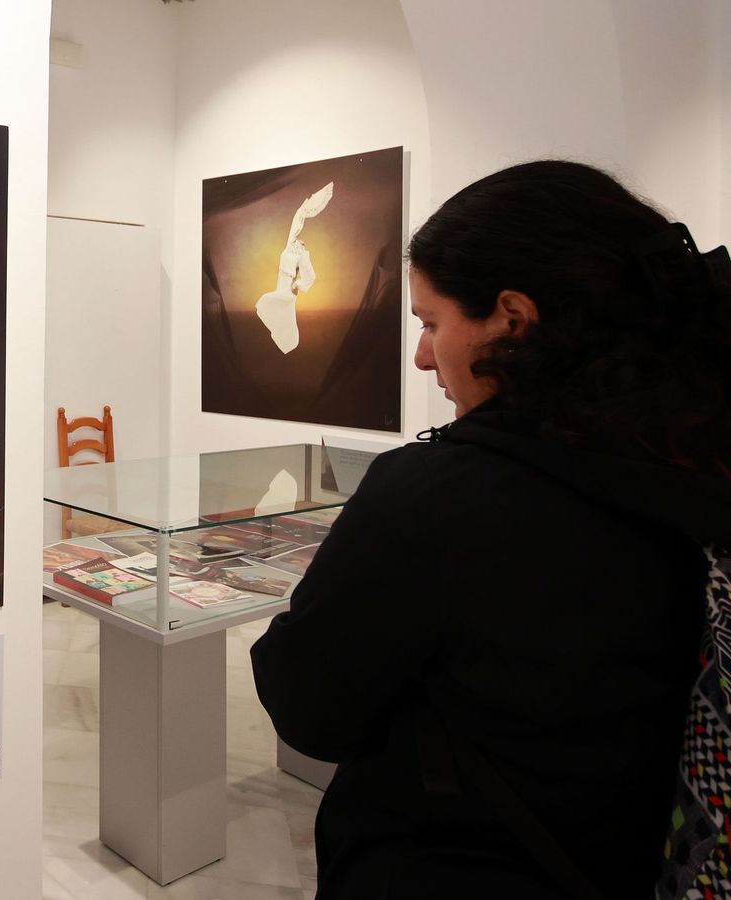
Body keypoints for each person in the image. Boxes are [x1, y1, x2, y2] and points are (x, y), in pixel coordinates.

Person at [250, 161, 731, 899]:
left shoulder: (434, 498)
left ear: (512, 318)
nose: (421, 355)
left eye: (432, 323)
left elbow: (311, 708)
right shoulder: (694, 463)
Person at [255, 181, 333, 354]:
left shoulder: (302, 255)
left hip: (289, 289)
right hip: (280, 284)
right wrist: (305, 206)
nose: (300, 241)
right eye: (299, 240)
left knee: (272, 306)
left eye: (302, 243)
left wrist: (297, 285)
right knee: (276, 312)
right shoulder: (290, 245)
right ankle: (284, 340)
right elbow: (297, 220)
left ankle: (288, 342)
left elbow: (311, 276)